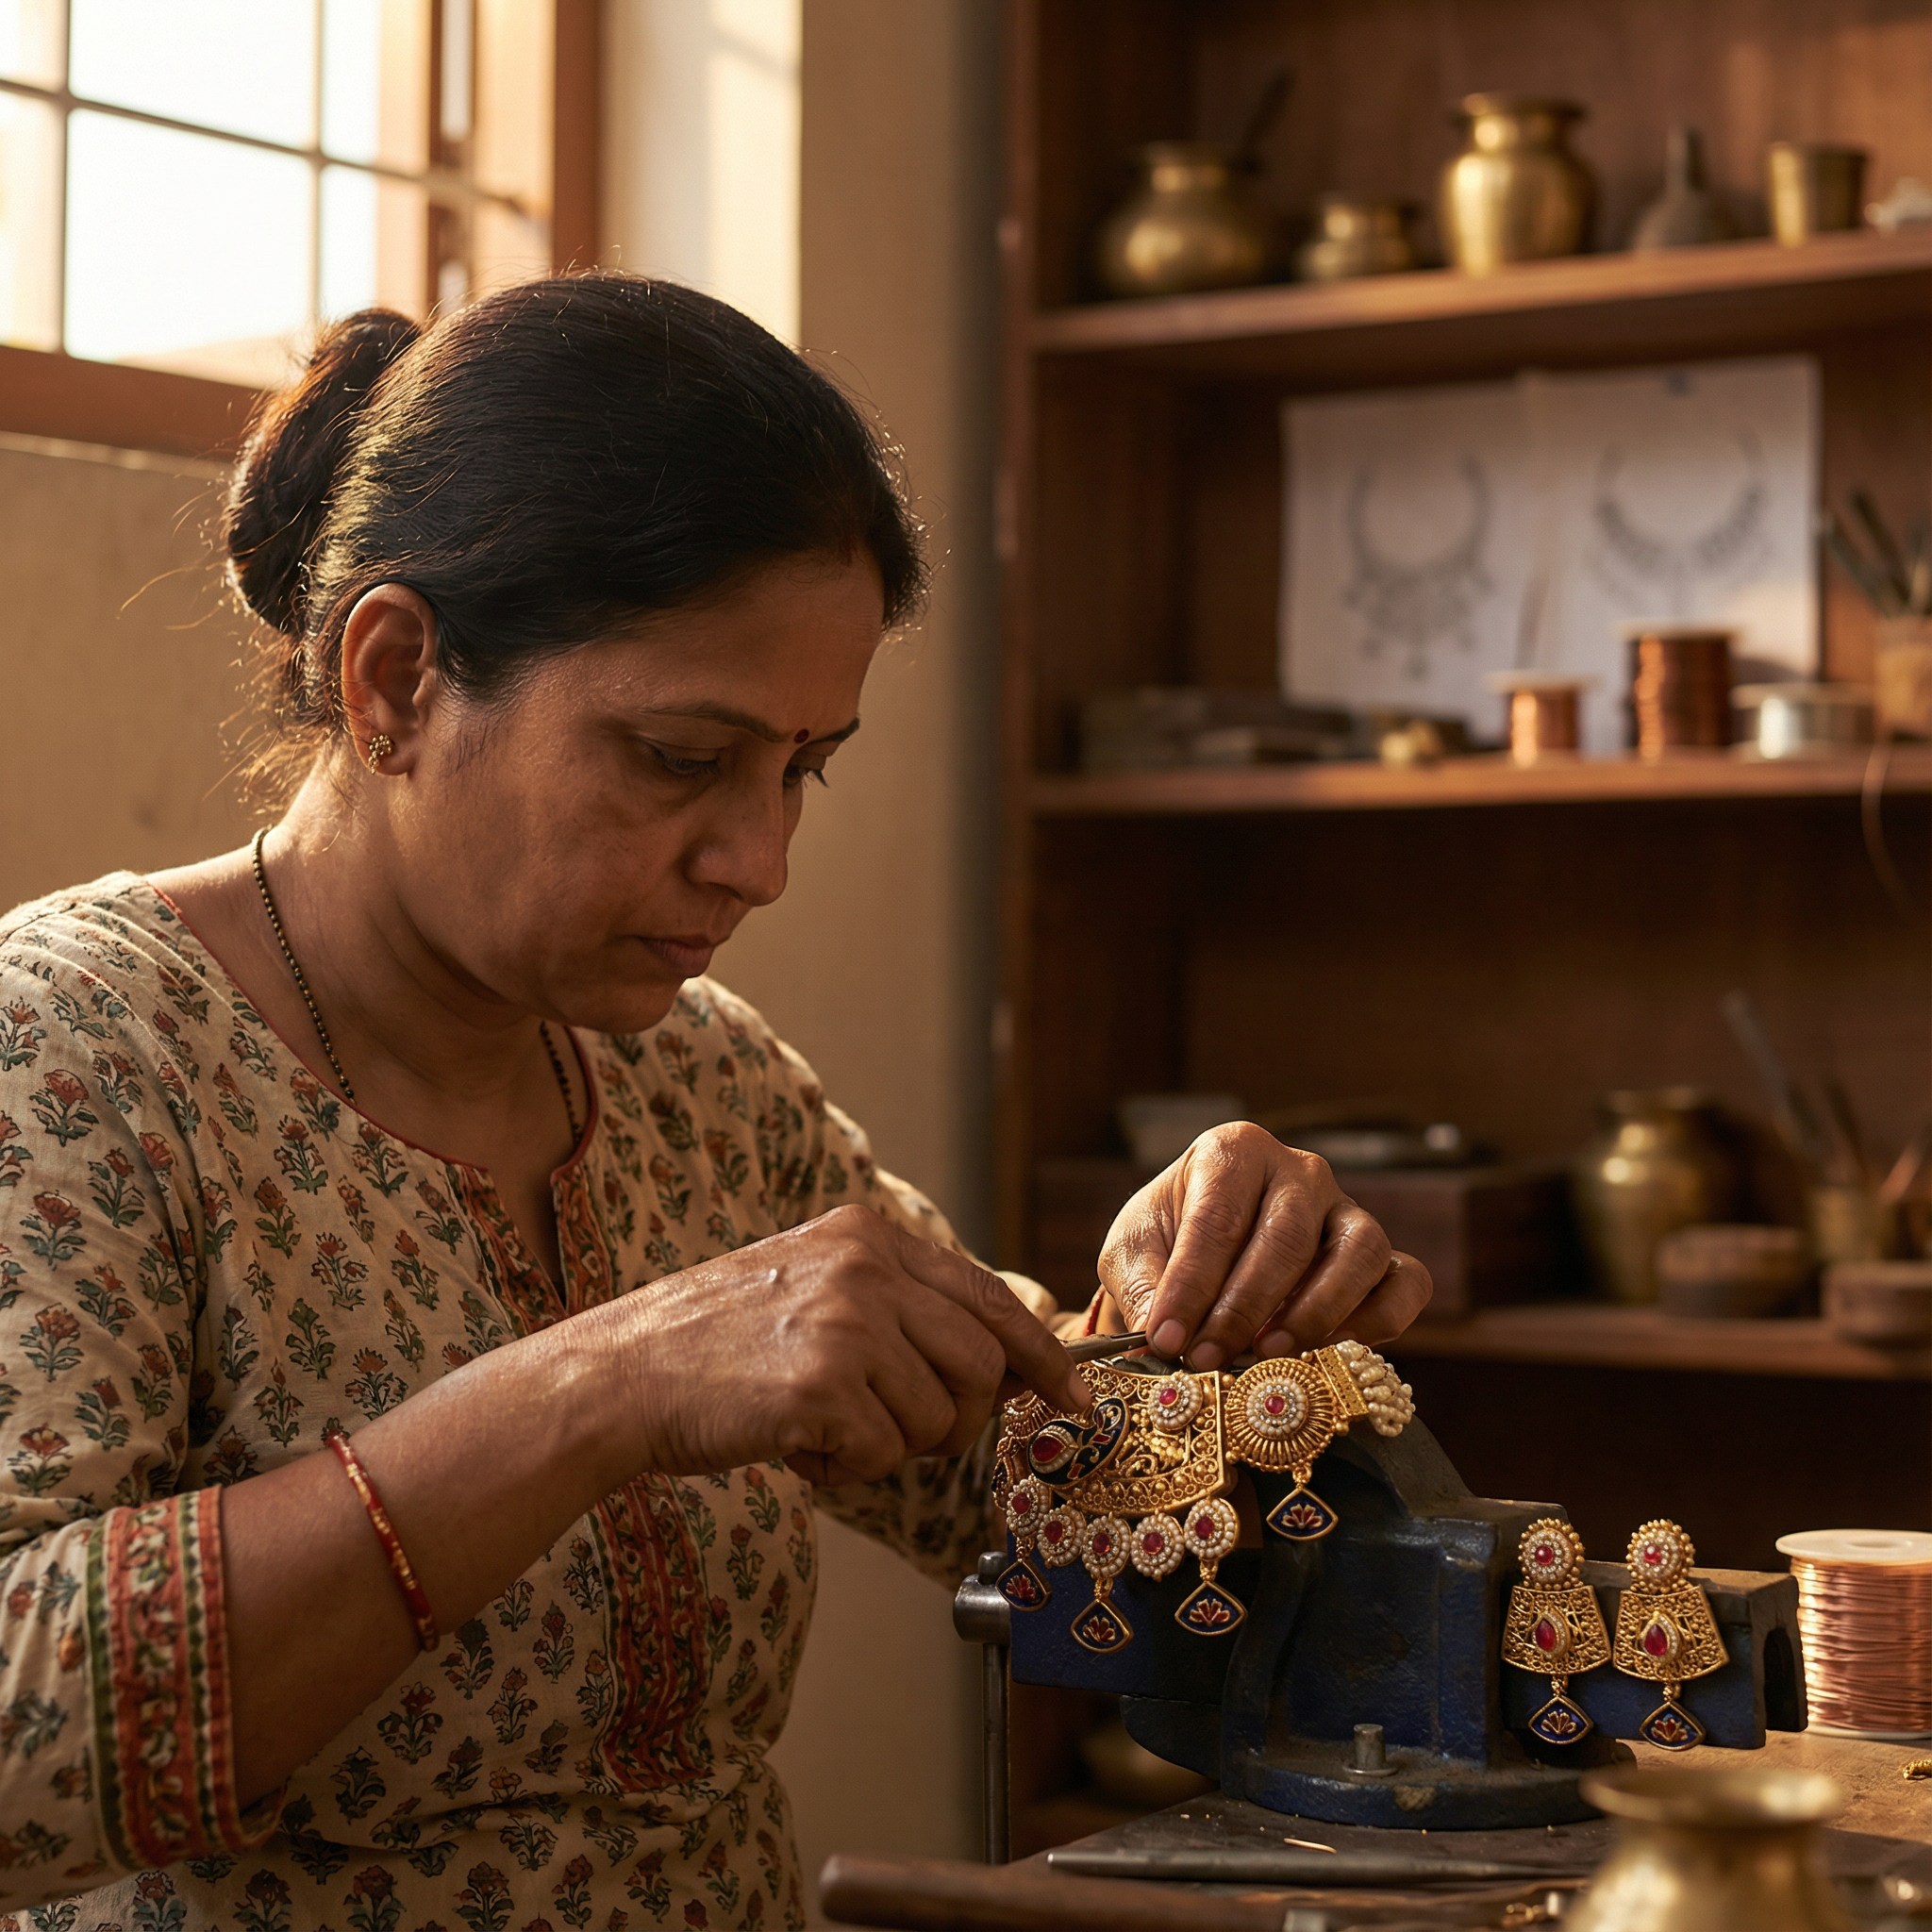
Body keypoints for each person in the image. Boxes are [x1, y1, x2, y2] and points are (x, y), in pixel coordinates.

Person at [0, 275, 1430, 1932]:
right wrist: (597, 1391)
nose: (760, 860)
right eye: (683, 759)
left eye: (799, 767)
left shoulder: (698, 1080)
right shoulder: (83, 1055)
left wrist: (1217, 1332)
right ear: (391, 678)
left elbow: (1018, 1486)